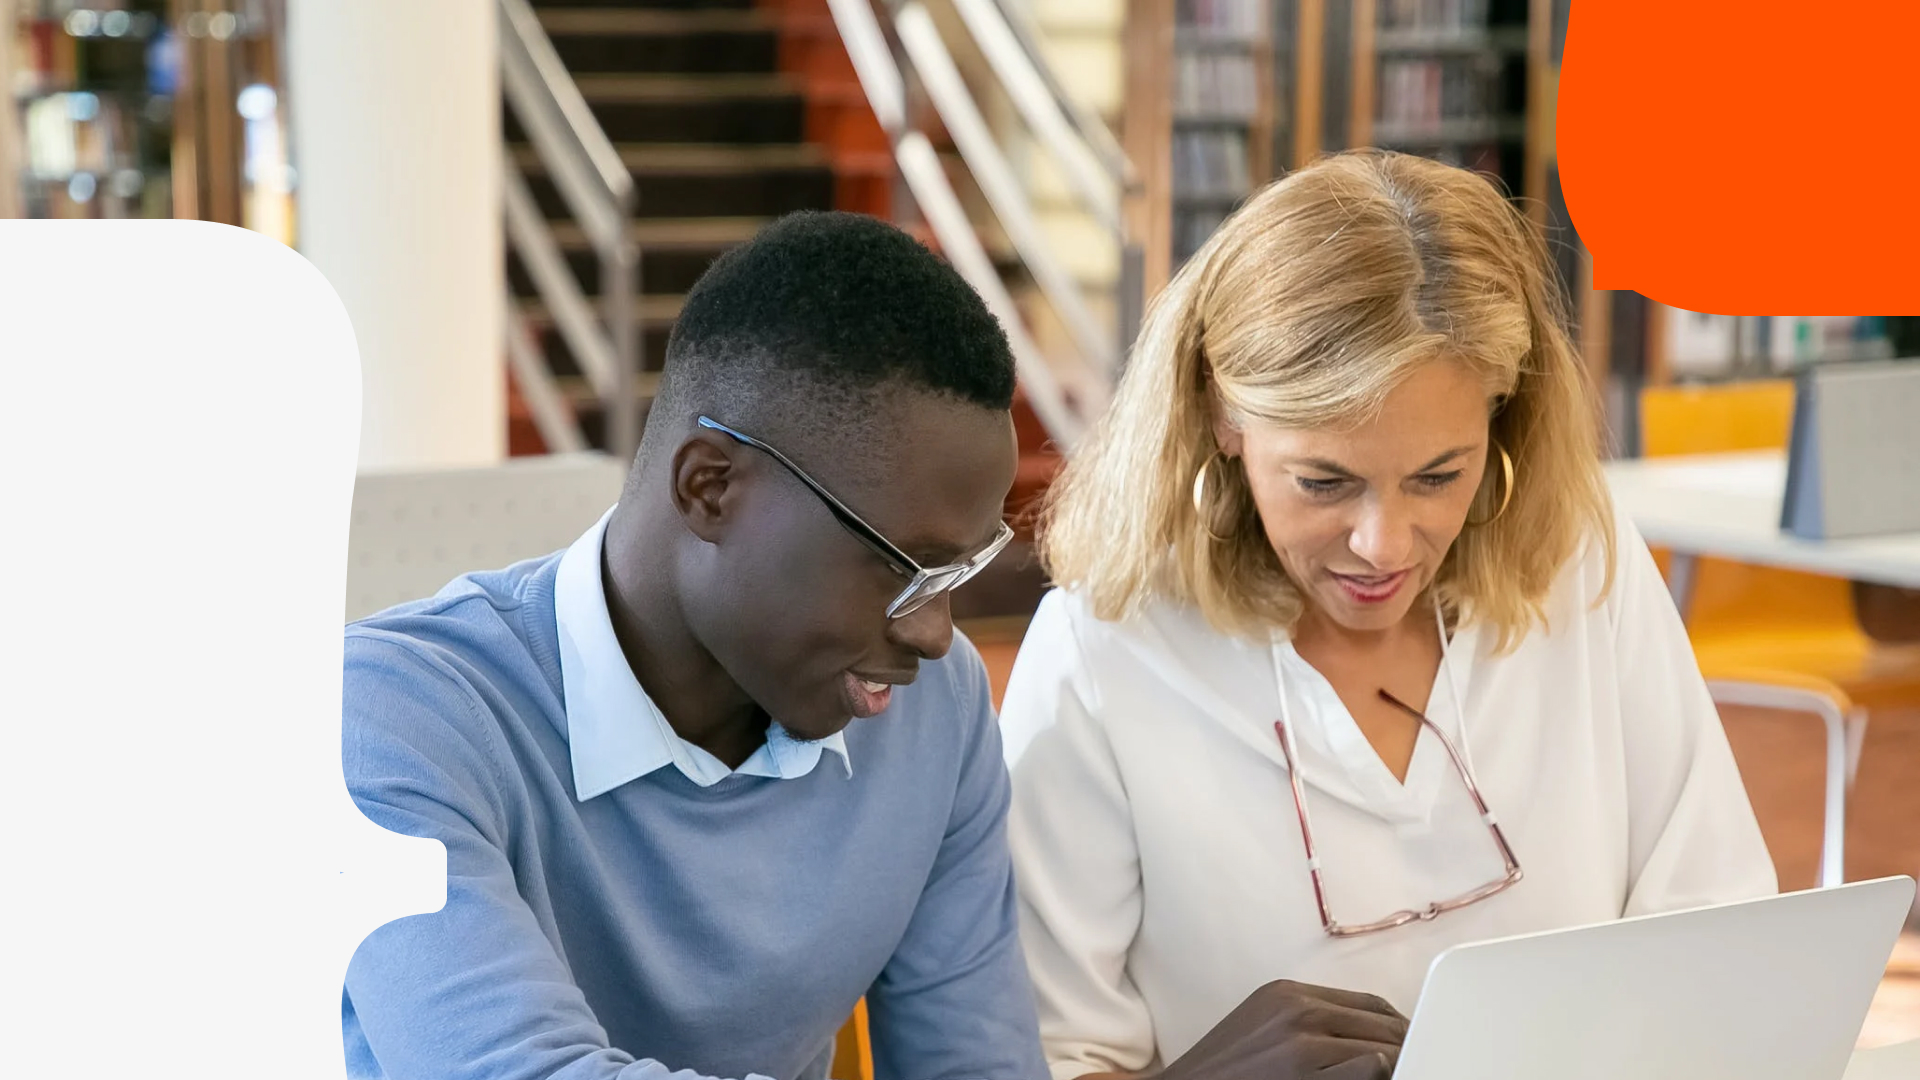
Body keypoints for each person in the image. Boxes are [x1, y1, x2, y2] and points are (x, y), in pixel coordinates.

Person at [996, 150, 1780, 1080]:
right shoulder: (1101, 653)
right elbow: (1053, 1058)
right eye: (1325, 482)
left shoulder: (1580, 558)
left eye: (1439, 477)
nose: (1385, 544)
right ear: (1223, 416)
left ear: (1503, 414)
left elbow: (1721, 936)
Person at [339, 211, 1047, 1080]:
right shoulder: (385, 720)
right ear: (709, 487)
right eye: (905, 569)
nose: (935, 635)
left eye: (955, 577)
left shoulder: (935, 711)